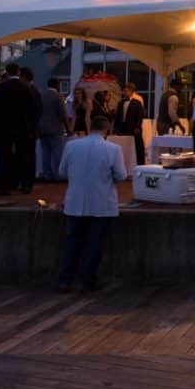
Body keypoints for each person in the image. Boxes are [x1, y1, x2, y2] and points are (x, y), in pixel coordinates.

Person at [57, 115, 126, 293]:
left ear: (90, 127)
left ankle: (65, 279)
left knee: (72, 240)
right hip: (101, 202)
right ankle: (88, 280)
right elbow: (121, 175)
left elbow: (62, 171)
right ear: (107, 129)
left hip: (75, 201)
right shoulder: (113, 149)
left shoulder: (71, 145)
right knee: (95, 242)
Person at [0, 63, 36, 195]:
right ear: (18, 72)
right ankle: (25, 184)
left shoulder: (1, 87)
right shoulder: (26, 88)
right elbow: (31, 110)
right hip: (22, 127)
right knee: (24, 155)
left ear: (7, 72)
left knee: (3, 156)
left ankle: (4, 184)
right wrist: (31, 127)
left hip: (3, 127)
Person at [38, 78, 69, 181]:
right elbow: (63, 114)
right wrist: (68, 128)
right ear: (57, 85)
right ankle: (58, 175)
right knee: (57, 153)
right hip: (55, 128)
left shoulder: (41, 95)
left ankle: (47, 174)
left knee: (45, 153)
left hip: (42, 128)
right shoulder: (58, 96)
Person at [19, 67, 43, 189]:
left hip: (28, 129)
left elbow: (35, 111)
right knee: (28, 155)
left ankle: (27, 181)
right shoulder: (34, 90)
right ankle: (27, 181)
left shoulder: (30, 91)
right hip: (30, 128)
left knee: (26, 155)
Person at [115, 82, 145, 165]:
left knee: (136, 146)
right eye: (124, 91)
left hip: (133, 127)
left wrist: (137, 126)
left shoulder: (137, 102)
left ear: (131, 91)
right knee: (124, 145)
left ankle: (138, 163)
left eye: (127, 91)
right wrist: (116, 127)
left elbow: (140, 115)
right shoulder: (121, 103)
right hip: (123, 127)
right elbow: (118, 116)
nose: (125, 92)